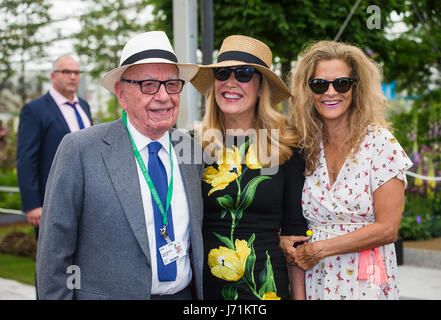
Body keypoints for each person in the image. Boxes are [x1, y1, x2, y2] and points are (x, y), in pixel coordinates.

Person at [36, 31, 204, 300]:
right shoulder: (80, 150)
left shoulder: (191, 150)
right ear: (122, 94)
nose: (163, 96)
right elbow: (54, 254)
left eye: (172, 84)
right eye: (149, 84)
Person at [282, 40, 413, 300]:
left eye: (341, 83)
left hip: (365, 280)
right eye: (319, 85)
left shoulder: (380, 144)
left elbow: (388, 229)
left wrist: (320, 249)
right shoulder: (306, 146)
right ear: (308, 91)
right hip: (315, 279)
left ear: (356, 88)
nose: (330, 92)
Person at [191, 35, 309, 300]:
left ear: (261, 87)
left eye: (244, 74)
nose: (230, 82)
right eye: (222, 73)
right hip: (206, 292)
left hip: (267, 290)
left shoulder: (288, 145)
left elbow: (295, 232)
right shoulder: (192, 145)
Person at [16, 55, 92, 239]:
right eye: (66, 72)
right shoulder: (34, 110)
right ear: (53, 76)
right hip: (52, 201)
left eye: (76, 72)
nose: (72, 76)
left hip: (87, 200)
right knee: (51, 263)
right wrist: (33, 204)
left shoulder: (84, 105)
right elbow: (26, 159)